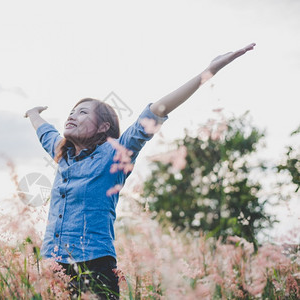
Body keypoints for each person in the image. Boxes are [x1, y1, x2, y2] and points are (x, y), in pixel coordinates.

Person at [24, 43, 256, 299]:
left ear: (103, 127)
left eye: (82, 112)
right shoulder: (63, 153)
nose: (72, 115)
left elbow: (157, 111)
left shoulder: (115, 153)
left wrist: (208, 71)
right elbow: (44, 130)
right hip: (53, 264)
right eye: (71, 112)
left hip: (94, 265)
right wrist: (33, 113)